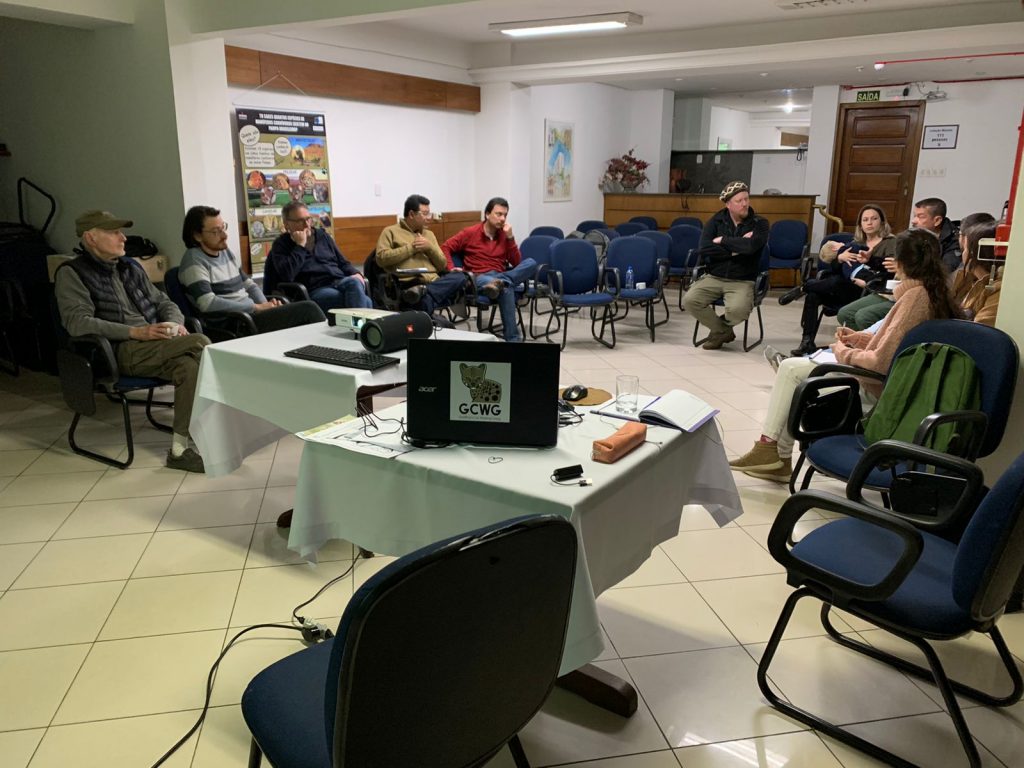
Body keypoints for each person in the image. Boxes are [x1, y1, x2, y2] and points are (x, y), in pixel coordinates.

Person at [729, 228, 961, 483]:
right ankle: (775, 454)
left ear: (901, 262)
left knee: (792, 371)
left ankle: (772, 450)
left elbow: (879, 363)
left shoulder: (914, 298)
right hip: (891, 379)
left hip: (881, 387)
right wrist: (860, 339)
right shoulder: (929, 291)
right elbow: (899, 342)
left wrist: (843, 352)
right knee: (794, 372)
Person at [54, 210, 211, 472]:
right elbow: (77, 323)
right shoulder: (71, 273)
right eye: (114, 232)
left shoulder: (129, 267)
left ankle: (180, 449)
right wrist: (134, 332)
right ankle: (237, 414)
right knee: (201, 341)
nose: (123, 238)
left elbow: (163, 301)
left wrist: (174, 323)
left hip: (156, 345)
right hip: (117, 351)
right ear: (91, 238)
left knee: (189, 367)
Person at [178, 205, 325, 333]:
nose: (225, 235)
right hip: (235, 322)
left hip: (250, 315)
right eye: (216, 231)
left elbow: (249, 284)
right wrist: (256, 308)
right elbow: (207, 304)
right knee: (308, 310)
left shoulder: (224, 252)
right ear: (197, 235)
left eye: (223, 227)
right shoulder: (193, 260)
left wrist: (268, 306)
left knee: (304, 317)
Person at [778, 204, 896, 355]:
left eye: (874, 219)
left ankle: (804, 287)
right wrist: (839, 259)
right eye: (865, 219)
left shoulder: (890, 243)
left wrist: (866, 281)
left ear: (882, 222)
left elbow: (890, 271)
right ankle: (807, 342)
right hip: (844, 286)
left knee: (834, 282)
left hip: (866, 290)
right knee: (814, 295)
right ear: (860, 224)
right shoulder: (855, 243)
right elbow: (833, 269)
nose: (869, 222)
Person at [836, 197, 960, 330]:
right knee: (844, 313)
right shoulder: (913, 235)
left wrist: (905, 267)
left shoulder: (952, 243)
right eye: (914, 216)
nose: (913, 221)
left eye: (920, 216)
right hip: (895, 289)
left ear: (937, 220)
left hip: (922, 293)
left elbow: (941, 271)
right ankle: (860, 344)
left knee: (864, 316)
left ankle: (873, 345)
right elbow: (894, 263)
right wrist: (871, 260)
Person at [681, 181, 769, 350]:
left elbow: (751, 247)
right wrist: (736, 249)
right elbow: (704, 248)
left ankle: (718, 331)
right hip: (714, 275)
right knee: (690, 301)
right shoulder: (716, 221)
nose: (744, 204)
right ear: (728, 204)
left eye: (746, 199)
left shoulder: (760, 223)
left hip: (742, 279)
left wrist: (723, 240)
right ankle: (724, 331)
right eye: (739, 201)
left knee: (738, 310)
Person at [441, 197, 536, 342]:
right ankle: (513, 341)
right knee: (506, 288)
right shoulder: (470, 232)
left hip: (500, 274)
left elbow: (517, 263)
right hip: (479, 277)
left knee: (531, 262)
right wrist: (451, 268)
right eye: (499, 214)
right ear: (487, 214)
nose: (503, 218)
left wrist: (510, 238)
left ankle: (502, 282)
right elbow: (446, 247)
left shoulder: (504, 235)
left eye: (505, 215)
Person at [263, 202, 372, 313]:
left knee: (354, 282)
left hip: (339, 281)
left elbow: (343, 263)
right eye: (300, 221)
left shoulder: (322, 236)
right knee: (366, 301)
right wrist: (300, 245)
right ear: (287, 224)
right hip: (314, 290)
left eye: (308, 219)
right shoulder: (281, 245)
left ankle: (358, 328)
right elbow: (287, 274)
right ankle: (363, 328)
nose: (306, 224)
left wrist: (356, 273)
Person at [375, 194, 466, 314]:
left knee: (460, 276)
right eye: (425, 213)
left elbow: (442, 265)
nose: (428, 217)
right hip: (408, 283)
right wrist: (411, 248)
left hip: (433, 282)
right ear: (412, 214)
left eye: (429, 213)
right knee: (425, 300)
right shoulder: (390, 231)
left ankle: (423, 293)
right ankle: (424, 301)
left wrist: (429, 248)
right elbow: (381, 258)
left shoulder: (429, 234)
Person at [952, 218, 1001, 326]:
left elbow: (980, 330)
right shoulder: (968, 279)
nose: (962, 253)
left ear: (975, 253)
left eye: (965, 248)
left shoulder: (997, 291)